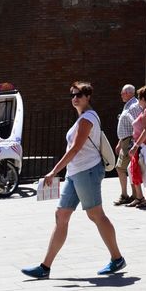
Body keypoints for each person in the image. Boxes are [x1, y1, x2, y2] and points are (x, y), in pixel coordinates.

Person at [22, 81, 125, 279]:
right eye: (72, 94)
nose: (75, 98)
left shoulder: (87, 118)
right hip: (74, 173)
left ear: (88, 97)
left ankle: (117, 258)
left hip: (87, 172)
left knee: (96, 215)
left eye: (79, 94)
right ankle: (45, 267)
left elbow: (75, 149)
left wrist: (53, 172)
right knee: (61, 215)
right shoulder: (80, 118)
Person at [129, 85, 146, 208]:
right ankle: (139, 197)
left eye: (138, 97)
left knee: (145, 170)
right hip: (143, 145)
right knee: (133, 169)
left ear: (143, 98)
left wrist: (136, 145)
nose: (138, 100)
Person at [114, 84, 140, 205]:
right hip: (125, 140)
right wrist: (120, 142)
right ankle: (131, 194)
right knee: (127, 168)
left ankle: (128, 195)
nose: (121, 95)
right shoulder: (129, 105)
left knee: (122, 168)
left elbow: (136, 125)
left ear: (130, 93)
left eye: (123, 93)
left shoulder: (133, 106)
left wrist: (132, 143)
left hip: (129, 141)